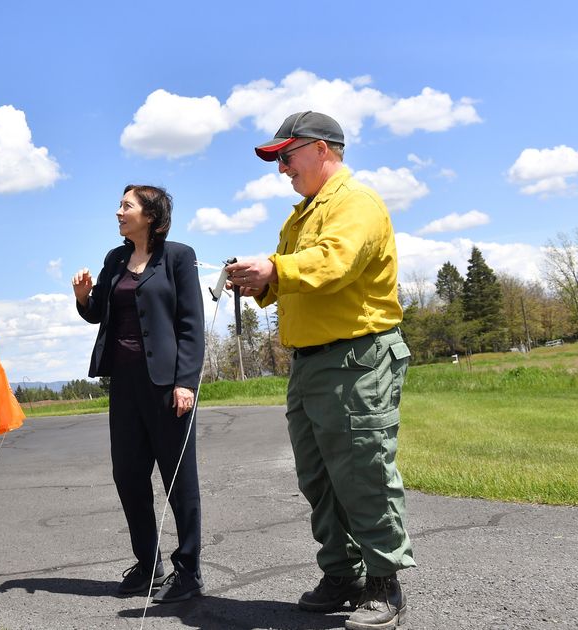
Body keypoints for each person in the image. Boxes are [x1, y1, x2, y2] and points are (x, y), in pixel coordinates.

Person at [226, 111, 413, 630]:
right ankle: (342, 575)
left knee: (362, 472)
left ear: (321, 149)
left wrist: (276, 268)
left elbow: (335, 262)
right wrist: (259, 279)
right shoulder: (304, 212)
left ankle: (383, 584)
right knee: (319, 477)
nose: (282, 168)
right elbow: (292, 272)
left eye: (286, 156)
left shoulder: (356, 203)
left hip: (356, 359)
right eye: (278, 159)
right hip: (310, 362)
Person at [72, 184, 205, 604]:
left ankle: (189, 572)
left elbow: (191, 324)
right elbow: (99, 313)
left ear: (149, 214)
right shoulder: (115, 259)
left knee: (179, 480)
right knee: (128, 477)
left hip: (167, 387)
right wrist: (81, 298)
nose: (118, 212)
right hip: (124, 386)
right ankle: (149, 566)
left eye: (126, 206)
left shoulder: (179, 257)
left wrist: (186, 381)